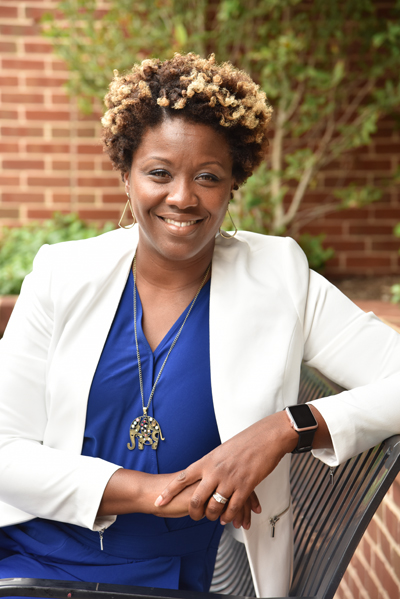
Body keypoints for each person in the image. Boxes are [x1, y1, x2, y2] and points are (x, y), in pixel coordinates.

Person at [0, 53, 400, 598]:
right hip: (27, 553)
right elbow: (5, 450)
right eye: (159, 173)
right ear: (126, 175)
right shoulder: (63, 275)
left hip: (159, 578)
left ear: (235, 183)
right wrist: (157, 492)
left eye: (208, 177)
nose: (183, 197)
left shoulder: (279, 278)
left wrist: (285, 428)